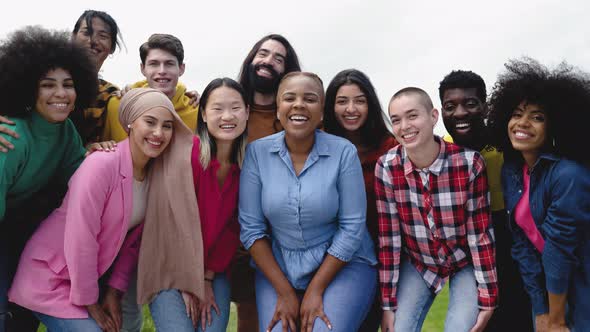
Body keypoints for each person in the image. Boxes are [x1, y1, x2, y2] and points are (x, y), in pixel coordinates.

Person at [8, 87, 198, 332]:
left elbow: (133, 243)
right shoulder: (101, 164)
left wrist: (113, 292)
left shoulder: (155, 176)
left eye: (167, 126)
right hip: (48, 279)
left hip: (88, 281)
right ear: (130, 123)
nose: (158, 133)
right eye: (149, 122)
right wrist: (90, 302)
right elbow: (81, 236)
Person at [239, 72, 377, 332]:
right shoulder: (257, 153)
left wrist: (315, 290)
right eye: (289, 98)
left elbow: (352, 227)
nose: (299, 104)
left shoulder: (343, 152)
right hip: (278, 266)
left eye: (310, 99)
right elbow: (251, 229)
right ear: (278, 109)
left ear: (322, 112)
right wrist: (285, 292)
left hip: (343, 263)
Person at [376, 87, 497, 332]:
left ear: (433, 116)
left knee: (461, 327)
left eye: (412, 116)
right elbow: (389, 240)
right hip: (419, 261)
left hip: (464, 261)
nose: (404, 126)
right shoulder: (387, 167)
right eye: (396, 120)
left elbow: (480, 236)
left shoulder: (469, 163)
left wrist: (488, 298)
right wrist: (388, 306)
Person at [0, 26, 97, 332]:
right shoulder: (12, 137)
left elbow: (80, 179)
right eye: (47, 85)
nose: (60, 94)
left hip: (27, 231)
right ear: (29, 89)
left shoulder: (66, 131)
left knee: (23, 316)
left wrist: (101, 154)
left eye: (68, 84)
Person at [488, 58, 590, 331]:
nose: (522, 123)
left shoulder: (569, 174)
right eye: (517, 113)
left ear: (556, 125)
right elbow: (522, 244)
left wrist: (554, 320)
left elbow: (559, 250)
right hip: (551, 290)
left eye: (537, 117)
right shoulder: (512, 171)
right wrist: (541, 309)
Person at [149, 78, 248, 332]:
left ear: (247, 112)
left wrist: (206, 277)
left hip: (212, 269)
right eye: (217, 108)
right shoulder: (187, 155)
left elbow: (233, 228)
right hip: (170, 265)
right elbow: (167, 223)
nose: (227, 116)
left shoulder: (248, 166)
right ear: (203, 114)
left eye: (235, 108)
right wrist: (188, 280)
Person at [439, 70, 533, 331]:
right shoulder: (441, 149)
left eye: (470, 103)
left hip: (511, 237)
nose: (460, 113)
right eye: (451, 106)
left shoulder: (506, 141)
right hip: (468, 248)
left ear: (485, 106)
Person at [233, 33, 301, 332]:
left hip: (287, 247)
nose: (268, 61)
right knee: (250, 322)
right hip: (235, 245)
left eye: (278, 58)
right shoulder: (229, 111)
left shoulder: (296, 119)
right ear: (251, 58)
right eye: (263, 53)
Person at [322, 68, 397, 331]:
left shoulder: (390, 150)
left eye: (360, 101)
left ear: (371, 105)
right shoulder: (318, 145)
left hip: (376, 258)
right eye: (342, 101)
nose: (351, 109)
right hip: (324, 258)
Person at [0, 9, 122, 151]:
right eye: (86, 32)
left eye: (103, 35)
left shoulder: (110, 95)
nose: (92, 41)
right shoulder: (33, 72)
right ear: (73, 36)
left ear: (112, 47)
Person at [103, 33, 198, 142]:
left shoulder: (197, 111)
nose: (162, 71)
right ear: (143, 68)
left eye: (169, 64)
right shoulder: (117, 106)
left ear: (181, 68)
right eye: (154, 64)